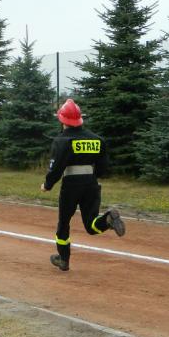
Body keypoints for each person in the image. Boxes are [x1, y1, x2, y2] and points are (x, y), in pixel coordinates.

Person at [41, 98, 125, 271]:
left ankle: (63, 259)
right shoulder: (97, 140)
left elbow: (56, 168)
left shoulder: (62, 141)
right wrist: (92, 177)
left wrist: (47, 185)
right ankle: (108, 219)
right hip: (91, 184)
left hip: (71, 186)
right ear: (80, 119)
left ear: (62, 120)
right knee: (91, 225)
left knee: (64, 223)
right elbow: (103, 168)